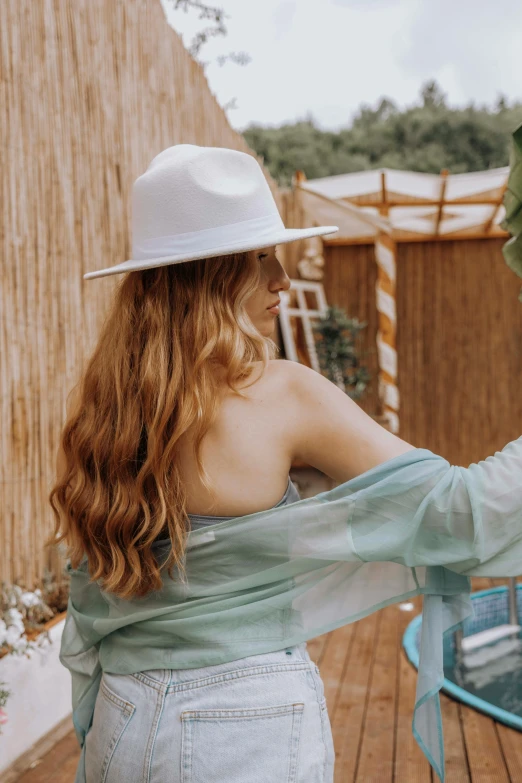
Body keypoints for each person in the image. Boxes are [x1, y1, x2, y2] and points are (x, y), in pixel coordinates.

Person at [50, 144, 522, 783]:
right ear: (209, 277)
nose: (283, 278)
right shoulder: (281, 393)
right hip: (243, 724)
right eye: (259, 257)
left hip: (123, 719)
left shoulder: (108, 410)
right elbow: (460, 514)